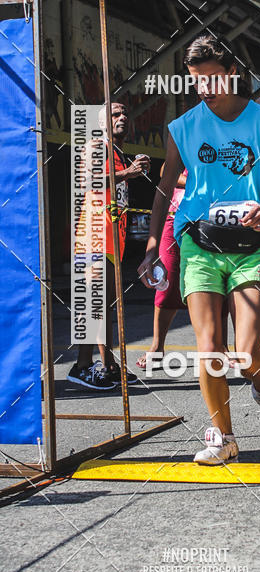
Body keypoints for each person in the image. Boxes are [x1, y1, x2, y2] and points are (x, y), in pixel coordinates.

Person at [138, 32, 260, 464]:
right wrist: (155, 243)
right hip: (199, 245)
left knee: (246, 353)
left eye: (212, 79)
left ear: (232, 73)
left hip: (248, 249)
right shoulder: (184, 127)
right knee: (208, 348)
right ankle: (222, 437)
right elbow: (162, 188)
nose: (205, 89)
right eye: (197, 81)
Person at [68, 102, 149, 390]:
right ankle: (96, 366)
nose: (123, 117)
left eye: (126, 113)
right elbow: (88, 182)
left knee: (102, 305)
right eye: (115, 114)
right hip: (93, 236)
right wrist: (128, 173)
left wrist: (131, 170)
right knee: (98, 305)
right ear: (102, 123)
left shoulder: (116, 153)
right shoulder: (95, 146)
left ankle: (94, 365)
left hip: (113, 239)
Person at [136, 167, 188, 370]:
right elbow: (167, 171)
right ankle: (157, 347)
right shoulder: (187, 136)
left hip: (207, 219)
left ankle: (220, 348)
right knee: (165, 283)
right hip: (174, 218)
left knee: (215, 283)